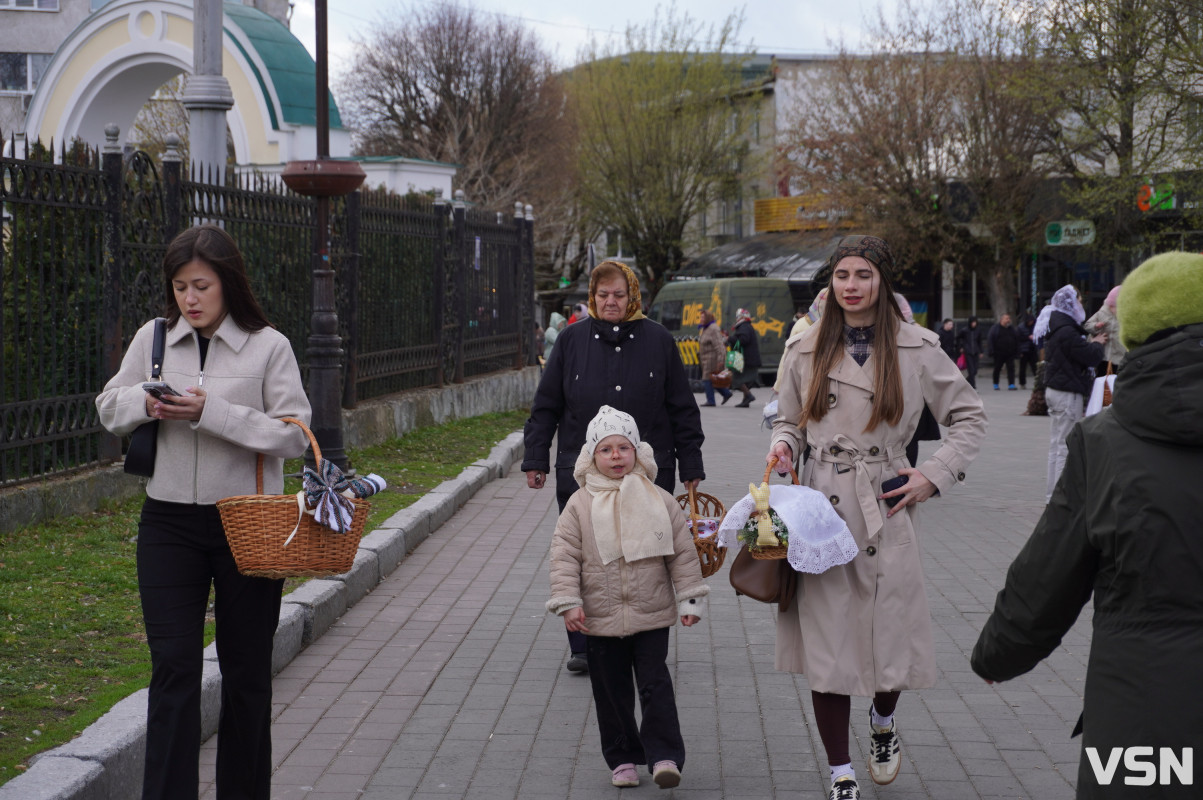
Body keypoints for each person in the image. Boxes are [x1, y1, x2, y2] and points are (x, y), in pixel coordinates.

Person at [971, 251, 1203, 800]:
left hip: (1143, 710)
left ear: (1136, 332)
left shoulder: (1105, 444)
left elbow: (1049, 570)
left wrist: (999, 652)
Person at [767, 235, 987, 800]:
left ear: (881, 282)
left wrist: (933, 473)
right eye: (842, 275)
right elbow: (787, 420)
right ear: (830, 283)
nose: (851, 286)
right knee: (829, 645)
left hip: (888, 499)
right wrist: (786, 448)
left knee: (894, 637)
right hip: (824, 509)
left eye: (863, 275)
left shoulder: (916, 348)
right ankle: (841, 772)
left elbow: (968, 416)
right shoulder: (806, 346)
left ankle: (884, 722)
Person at [95, 225, 311, 800]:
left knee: (245, 676)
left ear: (228, 283)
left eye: (201, 285)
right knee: (173, 668)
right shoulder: (156, 338)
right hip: (168, 523)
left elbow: (294, 436)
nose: (189, 298)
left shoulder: (270, 346)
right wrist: (147, 401)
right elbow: (108, 406)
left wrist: (210, 413)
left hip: (247, 524)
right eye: (180, 286)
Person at [522, 259, 705, 673]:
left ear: (633, 296)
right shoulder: (570, 341)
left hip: (647, 474)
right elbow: (546, 405)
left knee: (646, 555)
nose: (610, 302)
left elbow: (682, 409)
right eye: (602, 295)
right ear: (592, 297)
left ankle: (641, 637)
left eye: (619, 295)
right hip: (582, 472)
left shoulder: (659, 340)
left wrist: (692, 462)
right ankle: (584, 644)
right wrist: (536, 458)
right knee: (587, 553)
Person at [546, 406, 709, 790]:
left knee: (656, 685)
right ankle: (622, 758)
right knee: (611, 693)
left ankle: (665, 756)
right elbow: (563, 555)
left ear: (637, 451)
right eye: (606, 449)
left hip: (650, 613)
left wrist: (690, 600)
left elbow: (682, 553)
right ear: (592, 456)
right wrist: (568, 600)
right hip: (599, 618)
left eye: (624, 447)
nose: (616, 456)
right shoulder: (579, 504)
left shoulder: (660, 499)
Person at [1036, 284, 1105, 502]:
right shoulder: (1066, 330)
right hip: (1067, 393)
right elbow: (1089, 356)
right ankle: (1059, 499)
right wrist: (1097, 343)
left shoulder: (1058, 324)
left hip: (1056, 390)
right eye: (1079, 300)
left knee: (1055, 446)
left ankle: (1051, 495)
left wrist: (1091, 331)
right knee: (1064, 446)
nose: (1081, 304)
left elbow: (1076, 337)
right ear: (1070, 303)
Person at [1084, 286, 1127, 373]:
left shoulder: (1125, 317)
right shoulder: (1102, 313)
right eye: (1110, 306)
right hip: (1103, 356)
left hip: (1119, 356)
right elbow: (1087, 326)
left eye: (1115, 307)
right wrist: (1096, 326)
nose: (1113, 309)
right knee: (1102, 379)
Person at [727, 307, 763, 407]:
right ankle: (745, 400)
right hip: (748, 358)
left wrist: (730, 338)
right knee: (746, 380)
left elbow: (743, 340)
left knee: (736, 378)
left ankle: (748, 395)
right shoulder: (747, 326)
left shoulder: (744, 327)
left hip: (744, 358)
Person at [698, 308, 733, 406]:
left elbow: (719, 346)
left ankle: (711, 401)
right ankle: (726, 393)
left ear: (708, 318)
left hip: (712, 359)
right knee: (712, 379)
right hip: (706, 359)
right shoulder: (705, 328)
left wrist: (721, 360)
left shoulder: (713, 328)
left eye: (703, 317)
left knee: (706, 379)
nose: (700, 319)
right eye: (700, 317)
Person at [986, 313, 1020, 390]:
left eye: (1009, 319)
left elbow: (1016, 340)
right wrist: (991, 351)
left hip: (1010, 353)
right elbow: (990, 339)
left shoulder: (1011, 329)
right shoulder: (995, 328)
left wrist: (1017, 351)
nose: (1008, 320)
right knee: (997, 368)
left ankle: (1011, 384)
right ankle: (996, 384)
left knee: (1011, 368)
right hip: (999, 353)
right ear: (1002, 319)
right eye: (1006, 318)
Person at [955, 315, 983, 389]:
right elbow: (958, 338)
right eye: (973, 322)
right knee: (971, 369)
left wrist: (981, 351)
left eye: (975, 322)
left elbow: (979, 341)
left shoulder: (978, 331)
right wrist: (961, 347)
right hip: (968, 352)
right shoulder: (965, 330)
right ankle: (973, 386)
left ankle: (966, 381)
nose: (974, 324)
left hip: (976, 352)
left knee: (975, 370)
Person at [1015, 311, 1038, 389]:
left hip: (1032, 349)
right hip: (1024, 350)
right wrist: (1028, 337)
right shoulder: (1021, 327)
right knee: (1022, 368)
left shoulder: (1035, 326)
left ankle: (1038, 382)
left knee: (1035, 367)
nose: (1031, 323)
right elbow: (1018, 339)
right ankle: (1022, 383)